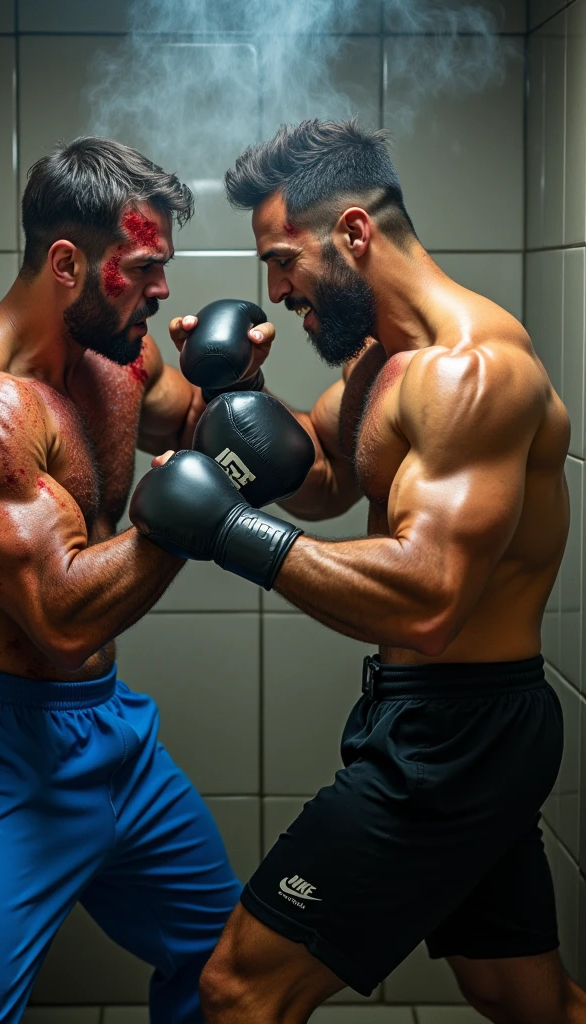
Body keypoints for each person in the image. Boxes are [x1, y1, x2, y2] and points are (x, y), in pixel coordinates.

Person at [130, 117, 586, 1024]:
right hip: (442, 722)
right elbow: (329, 477)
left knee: (237, 992)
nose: (276, 289)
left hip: (455, 739)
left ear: (352, 234)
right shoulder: (386, 361)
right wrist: (233, 399)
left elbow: (428, 599)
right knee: (520, 996)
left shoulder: (472, 374)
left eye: (281, 259)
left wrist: (228, 532)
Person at [0, 136, 276, 1024]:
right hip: (0, 750)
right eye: (143, 268)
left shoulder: (122, 361)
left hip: (116, 736)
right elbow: (61, 616)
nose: (163, 291)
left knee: (233, 972)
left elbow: (203, 433)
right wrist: (212, 500)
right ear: (67, 262)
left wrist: (231, 388)